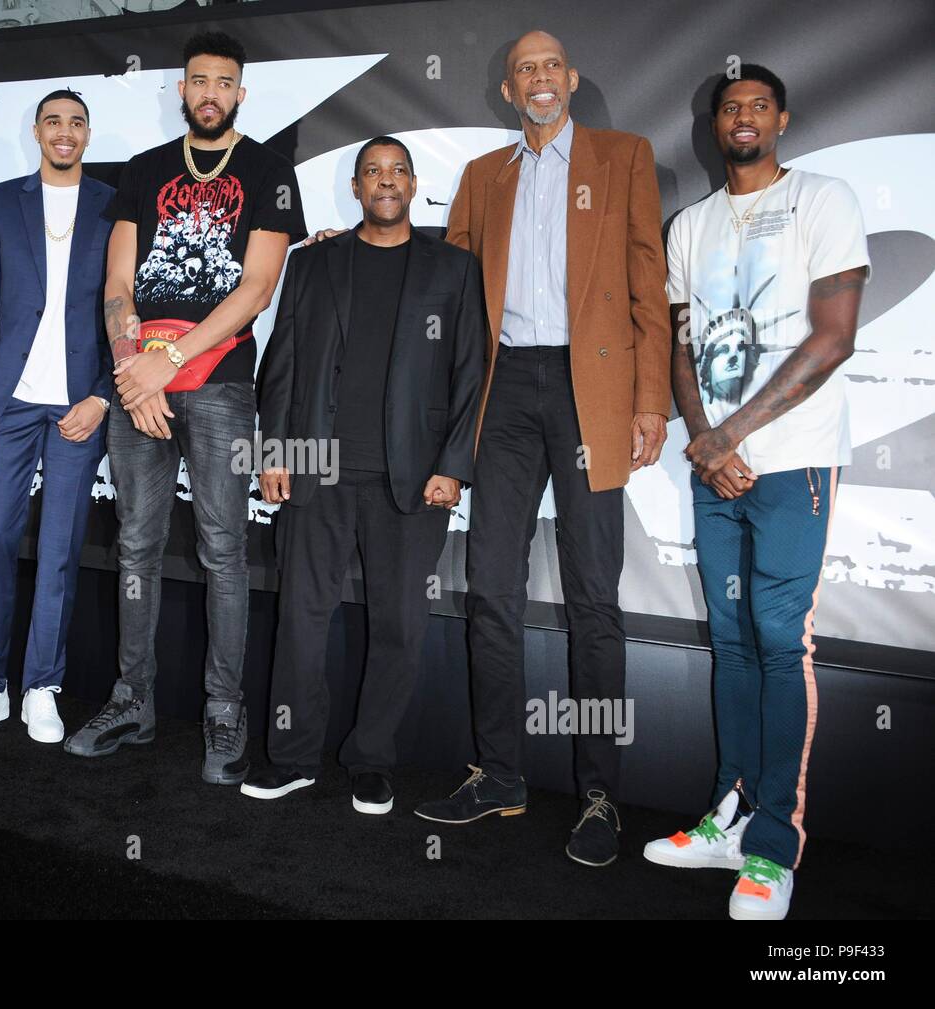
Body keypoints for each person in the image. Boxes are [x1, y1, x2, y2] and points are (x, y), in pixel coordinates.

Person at [409, 30, 672, 868]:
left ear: (573, 79)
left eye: (551, 65)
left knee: (595, 595)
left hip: (592, 389)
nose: (540, 79)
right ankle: (501, 774)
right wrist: (350, 255)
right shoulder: (486, 177)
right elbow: (446, 284)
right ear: (509, 89)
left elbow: (648, 285)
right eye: (525, 69)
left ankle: (600, 792)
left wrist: (650, 401)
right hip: (505, 390)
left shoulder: (624, 156)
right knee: (490, 586)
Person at [645, 66, 869, 920]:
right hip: (715, 466)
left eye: (757, 107)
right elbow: (679, 342)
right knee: (731, 642)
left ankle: (775, 845)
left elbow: (834, 337)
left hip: (794, 461)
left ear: (781, 117)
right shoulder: (691, 224)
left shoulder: (823, 197)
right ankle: (729, 817)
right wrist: (704, 444)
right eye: (728, 108)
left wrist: (730, 438)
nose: (742, 117)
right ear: (714, 124)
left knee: (780, 641)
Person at [63, 31, 306, 785]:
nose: (209, 92)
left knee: (223, 551)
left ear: (239, 92)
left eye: (223, 82)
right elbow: (117, 287)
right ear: (182, 89)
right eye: (197, 80)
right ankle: (132, 699)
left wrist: (165, 362)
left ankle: (223, 709)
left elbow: (254, 290)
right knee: (134, 544)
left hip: (223, 381)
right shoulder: (144, 172)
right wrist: (132, 369)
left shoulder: (269, 171)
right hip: (143, 378)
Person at [240, 137, 487, 814]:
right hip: (318, 468)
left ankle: (372, 759)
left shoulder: (454, 268)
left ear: (413, 184)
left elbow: (472, 371)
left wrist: (453, 467)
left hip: (412, 480)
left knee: (400, 625)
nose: (385, 181)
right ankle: (290, 756)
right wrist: (274, 450)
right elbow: (282, 361)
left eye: (396, 171)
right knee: (300, 618)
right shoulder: (314, 261)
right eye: (372, 172)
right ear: (355, 188)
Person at [0, 90, 114, 744]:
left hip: (78, 406)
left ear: (88, 134)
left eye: (76, 122)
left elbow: (118, 309)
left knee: (60, 551)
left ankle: (42, 686)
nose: (64, 132)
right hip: (4, 405)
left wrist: (102, 394)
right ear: (37, 133)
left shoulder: (112, 204)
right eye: (53, 122)